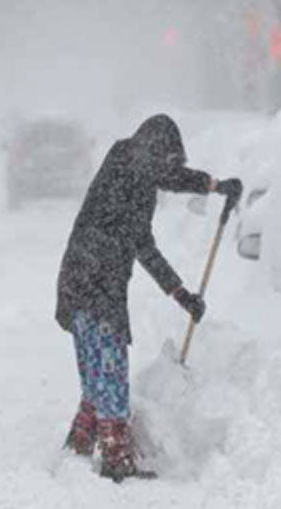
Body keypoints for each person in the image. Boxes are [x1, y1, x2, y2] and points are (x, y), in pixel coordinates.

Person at [55, 113, 242, 482]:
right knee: (111, 367)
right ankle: (115, 457)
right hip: (95, 281)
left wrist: (180, 293)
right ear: (154, 148)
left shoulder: (135, 184)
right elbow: (167, 177)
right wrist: (212, 185)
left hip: (82, 282)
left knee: (98, 369)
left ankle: (80, 442)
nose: (169, 167)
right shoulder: (125, 158)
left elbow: (145, 247)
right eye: (167, 158)